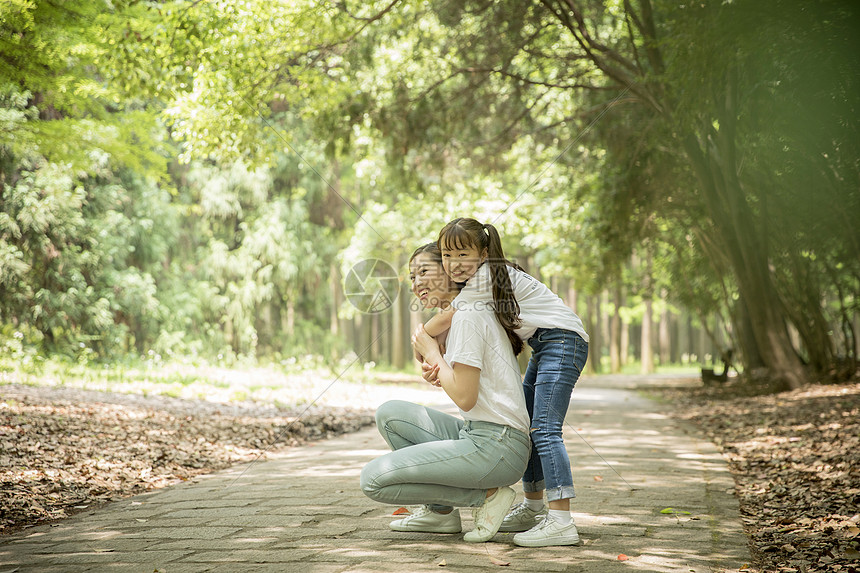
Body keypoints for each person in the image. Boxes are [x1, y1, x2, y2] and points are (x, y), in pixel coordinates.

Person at [423, 217, 589, 547]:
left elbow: (442, 321)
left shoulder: (487, 277)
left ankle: (561, 521)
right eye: (446, 256)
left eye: (462, 255)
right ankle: (532, 507)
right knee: (529, 424)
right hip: (547, 343)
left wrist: (423, 339)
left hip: (563, 340)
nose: (454, 264)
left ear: (483, 254)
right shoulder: (481, 282)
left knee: (544, 428)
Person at [359, 243, 531, 543]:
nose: (416, 284)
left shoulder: (467, 317)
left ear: (451, 271)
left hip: (498, 447)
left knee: (373, 480)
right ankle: (440, 514)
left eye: (423, 271)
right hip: (479, 433)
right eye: (411, 278)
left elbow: (465, 398)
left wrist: (433, 355)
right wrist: (440, 368)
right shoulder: (461, 316)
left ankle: (487, 495)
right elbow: (472, 386)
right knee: (390, 414)